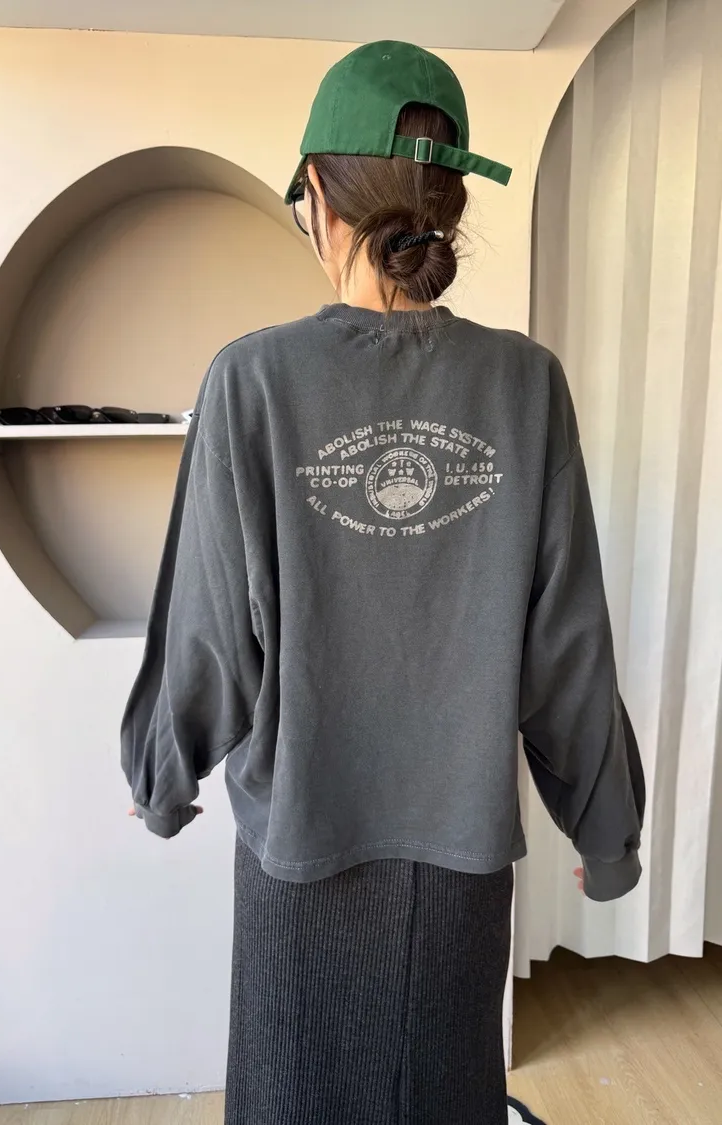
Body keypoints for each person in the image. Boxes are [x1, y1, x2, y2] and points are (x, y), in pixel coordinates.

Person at [122, 40, 645, 1125]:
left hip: (301, 852)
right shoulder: (526, 385)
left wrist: (162, 778)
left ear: (318, 195)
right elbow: (566, 650)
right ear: (451, 204)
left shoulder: (253, 380)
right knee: (445, 1096)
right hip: (460, 864)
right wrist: (606, 831)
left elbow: (210, 630)